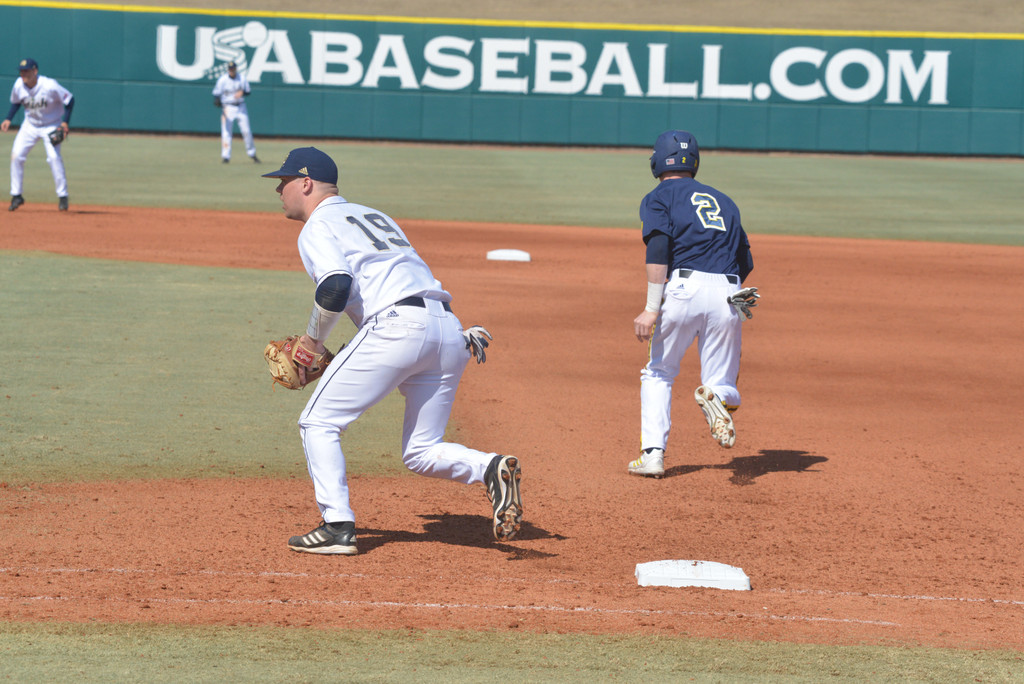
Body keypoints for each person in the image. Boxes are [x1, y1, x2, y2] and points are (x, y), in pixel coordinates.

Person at [262, 146, 523, 555]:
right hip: (448, 328)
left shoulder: (317, 226)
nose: (279, 190)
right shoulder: (375, 216)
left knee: (318, 422)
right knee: (421, 450)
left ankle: (337, 526)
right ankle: (489, 467)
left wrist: (312, 344)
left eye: (284, 181)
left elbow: (335, 285)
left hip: (397, 327)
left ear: (306, 183)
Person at [629, 130, 754, 478]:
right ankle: (716, 396)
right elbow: (744, 260)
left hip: (684, 289)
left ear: (658, 161)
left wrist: (652, 307)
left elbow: (658, 250)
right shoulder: (725, 201)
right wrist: (729, 289)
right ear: (694, 162)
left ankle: (652, 455)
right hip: (728, 292)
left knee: (659, 371)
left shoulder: (659, 197)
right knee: (722, 380)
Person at [2, 58, 74, 212]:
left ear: (35, 71)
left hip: (51, 125)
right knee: (16, 156)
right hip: (30, 125)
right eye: (21, 71)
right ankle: (16, 195)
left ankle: (63, 196)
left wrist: (65, 123)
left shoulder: (49, 85)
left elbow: (69, 99)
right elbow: (16, 102)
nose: (23, 74)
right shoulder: (18, 85)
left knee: (54, 158)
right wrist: (8, 118)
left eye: (26, 71)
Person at [212, 61, 259, 164]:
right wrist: (217, 101)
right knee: (226, 132)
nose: (231, 70)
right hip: (228, 107)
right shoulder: (223, 79)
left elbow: (248, 91)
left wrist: (243, 92)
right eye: (230, 69)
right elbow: (216, 93)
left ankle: (252, 154)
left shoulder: (241, 78)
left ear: (236, 69)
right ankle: (226, 156)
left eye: (233, 69)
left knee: (246, 131)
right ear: (228, 70)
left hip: (241, 107)